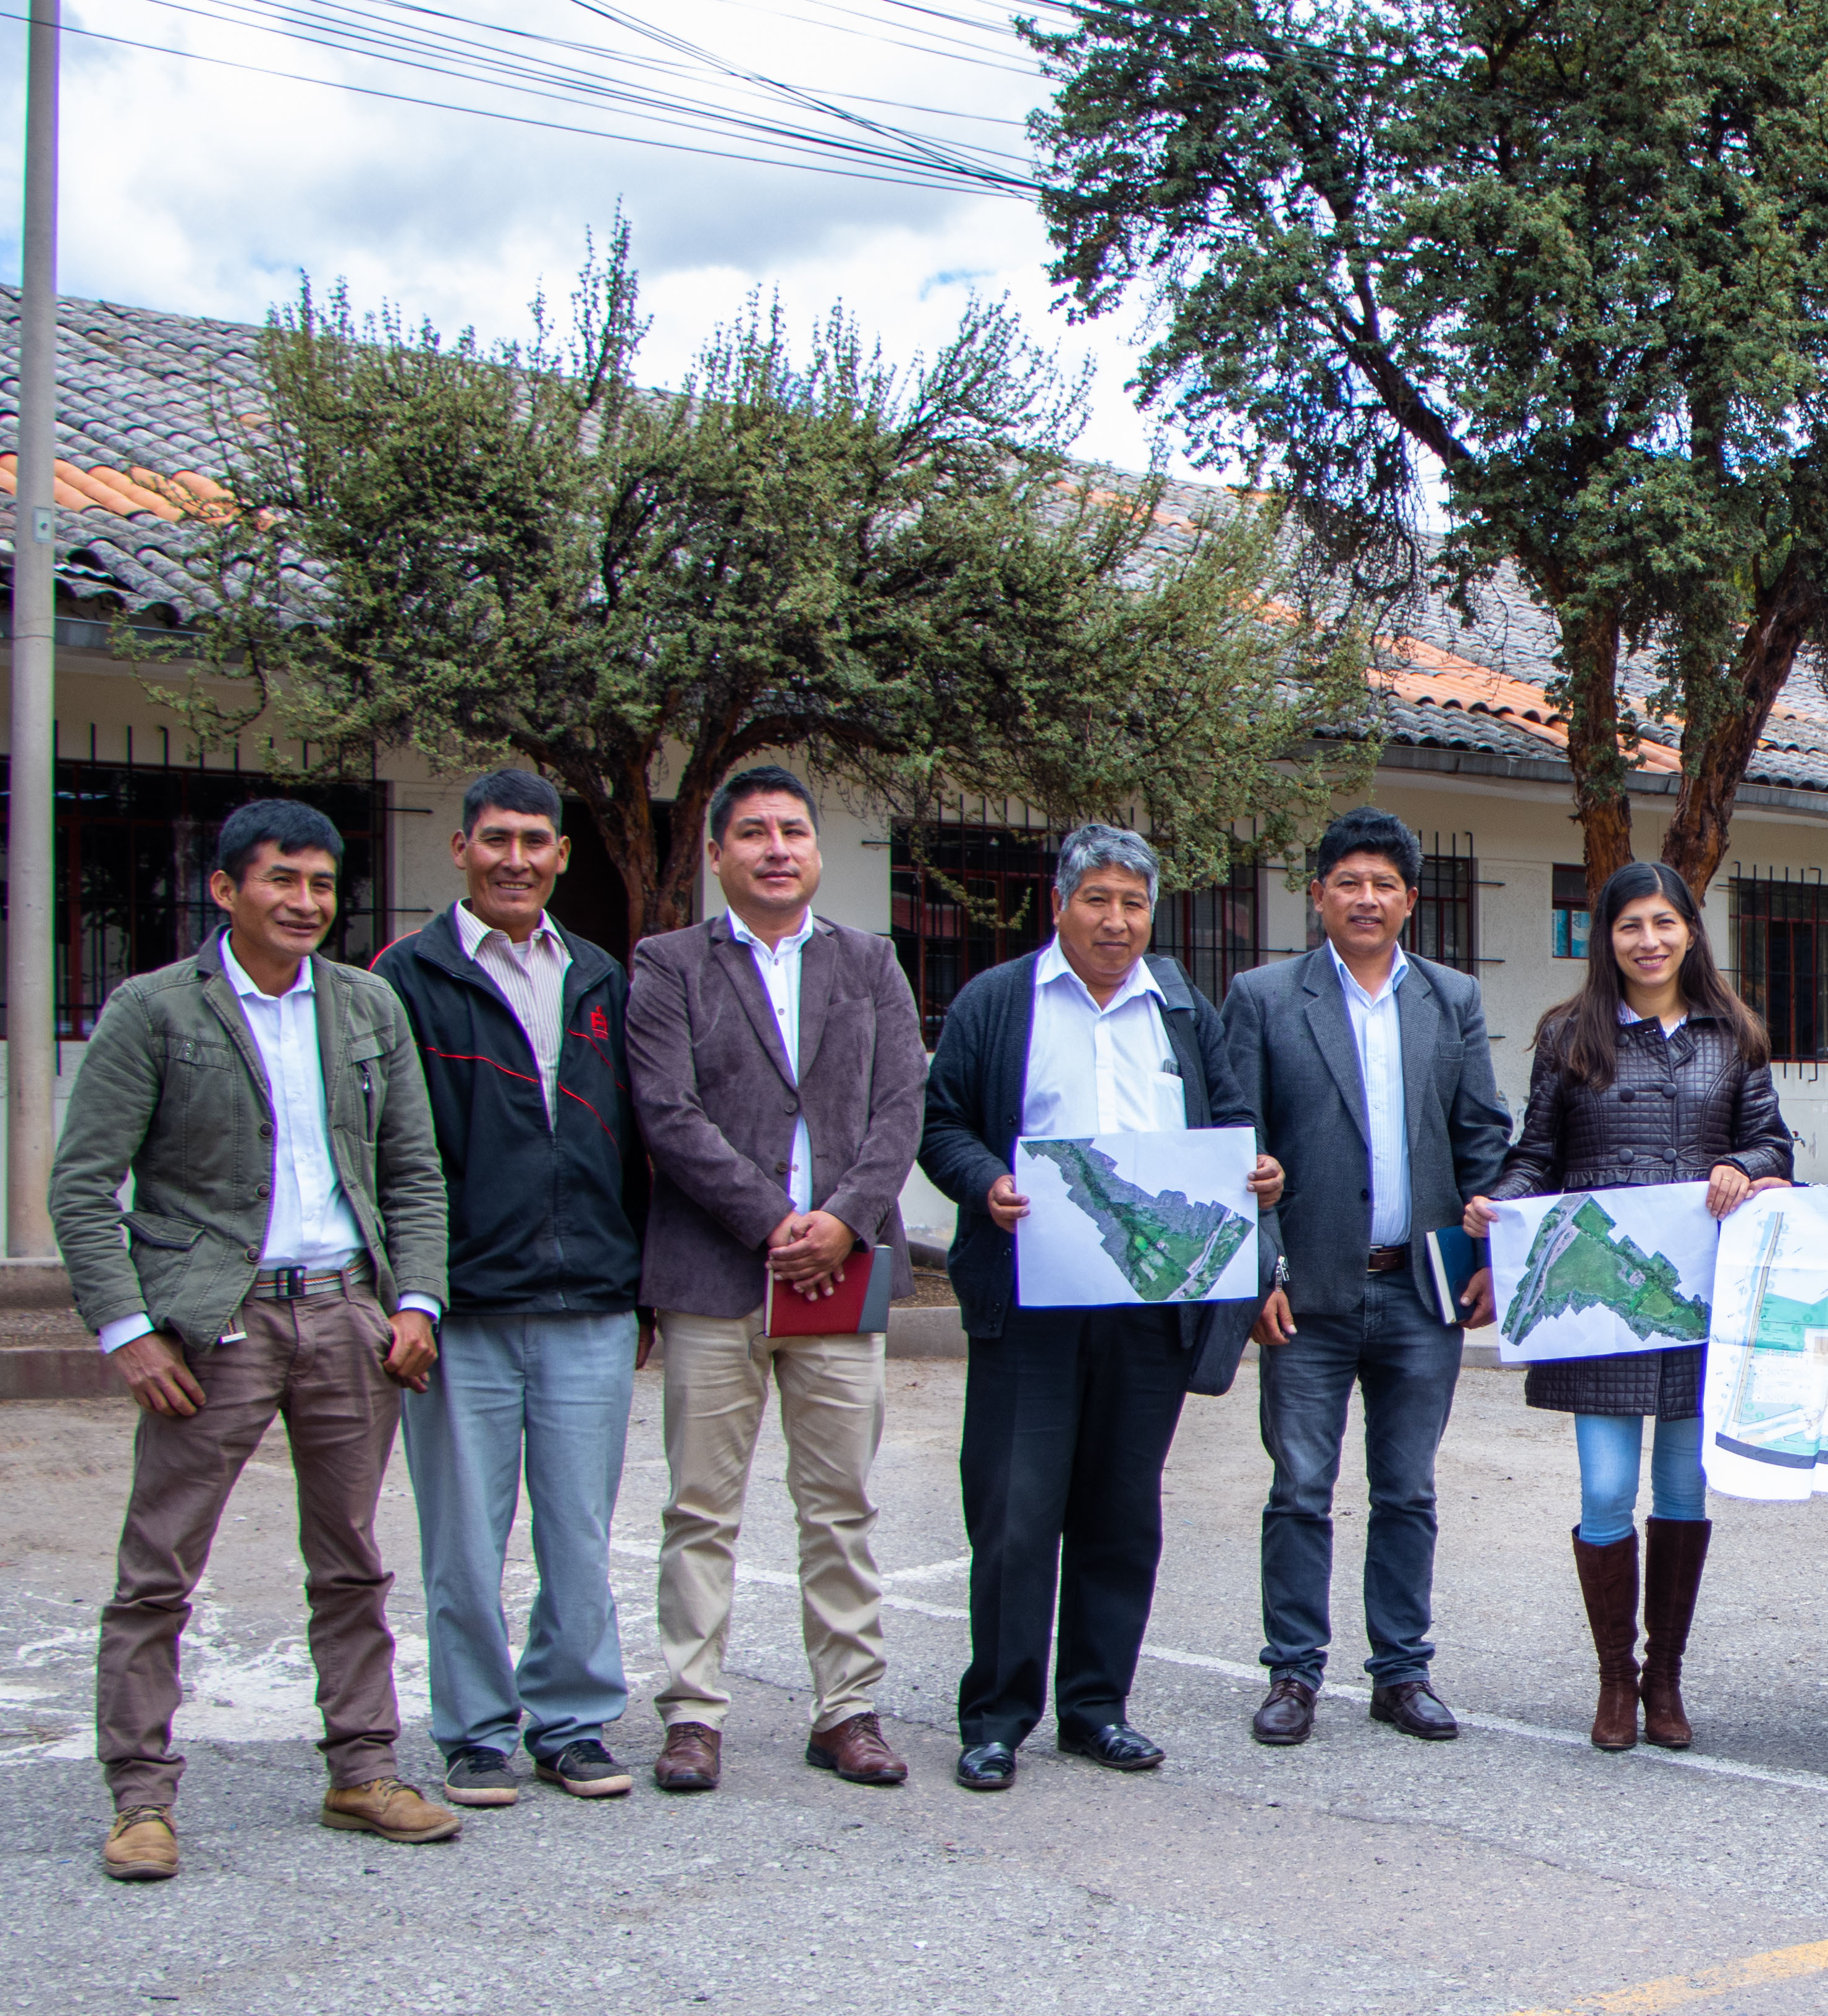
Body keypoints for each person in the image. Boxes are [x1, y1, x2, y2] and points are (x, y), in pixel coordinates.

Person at [53, 799, 455, 1880]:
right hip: (210, 1327)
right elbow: (85, 1186)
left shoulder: (366, 1006)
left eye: (323, 884)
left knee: (352, 1562)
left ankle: (362, 1770)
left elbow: (414, 1172)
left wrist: (414, 1300)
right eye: (283, 880)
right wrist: (130, 1329)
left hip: (345, 1318)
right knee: (159, 1569)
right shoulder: (153, 1010)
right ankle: (140, 1797)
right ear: (226, 889)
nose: (306, 902)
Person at [917, 824, 1257, 1794]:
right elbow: (939, 1123)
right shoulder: (998, 1003)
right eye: (1098, 899)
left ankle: (1097, 1706)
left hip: (1149, 1302)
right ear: (1058, 905)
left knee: (1120, 1512)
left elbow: (1230, 1122)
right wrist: (985, 1181)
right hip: (1032, 1300)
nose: (1117, 920)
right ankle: (996, 1717)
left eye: (1134, 903)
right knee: (1016, 1511)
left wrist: (1255, 1170)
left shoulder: (1182, 1009)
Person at [625, 764, 930, 1796]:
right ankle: (692, 1713)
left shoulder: (869, 962)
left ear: (816, 848)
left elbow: (900, 1105)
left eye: (792, 829)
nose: (775, 848)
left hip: (841, 1281)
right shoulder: (667, 965)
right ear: (716, 853)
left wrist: (842, 1221)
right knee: (701, 1508)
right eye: (750, 832)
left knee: (837, 1505)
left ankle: (846, 1709)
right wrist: (772, 1222)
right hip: (716, 1274)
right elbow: (665, 1112)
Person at [376, 770, 648, 1811]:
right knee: (461, 1537)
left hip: (589, 1300)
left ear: (562, 854)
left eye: (537, 839)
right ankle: (476, 1731)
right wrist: (411, 1293)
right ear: (460, 849)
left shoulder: (597, 975)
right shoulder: (405, 976)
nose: (517, 858)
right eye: (497, 839)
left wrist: (641, 1289)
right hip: (462, 1310)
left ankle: (572, 1721)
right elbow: (391, 1154)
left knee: (578, 1530)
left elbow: (633, 1139)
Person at [1474, 862, 1792, 1752]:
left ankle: (1666, 1679)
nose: (1647, 941)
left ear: (1691, 930)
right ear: (1604, 937)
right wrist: (1501, 1204)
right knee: (1608, 1487)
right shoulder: (1568, 1037)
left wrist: (1749, 1167)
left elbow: (1771, 1142)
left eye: (1663, 922)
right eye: (1628, 926)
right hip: (1604, 1304)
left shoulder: (1734, 1036)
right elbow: (1536, 1155)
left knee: (1684, 1485)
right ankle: (1615, 1675)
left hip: (1698, 1303)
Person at [1219, 807, 1514, 1750]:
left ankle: (1401, 1672)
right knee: (1300, 1486)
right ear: (1317, 895)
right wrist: (1256, 1267)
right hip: (1304, 1292)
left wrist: (1488, 1262)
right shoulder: (1263, 998)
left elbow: (1482, 1139)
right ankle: (1294, 1674)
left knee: (1408, 1489)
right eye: (1348, 881)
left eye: (1384, 883)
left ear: (1411, 902)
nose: (1366, 897)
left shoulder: (1450, 999)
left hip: (1419, 1291)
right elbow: (1238, 1145)